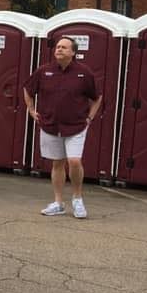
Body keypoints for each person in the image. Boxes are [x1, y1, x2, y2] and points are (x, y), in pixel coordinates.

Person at [22, 36, 102, 218]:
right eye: (58, 47)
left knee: (74, 161)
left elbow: (97, 97)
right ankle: (58, 203)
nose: (59, 50)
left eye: (64, 47)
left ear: (73, 52)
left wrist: (90, 117)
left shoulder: (84, 73)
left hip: (77, 126)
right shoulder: (44, 71)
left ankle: (77, 199)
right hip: (50, 125)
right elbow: (27, 89)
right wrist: (31, 109)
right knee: (57, 163)